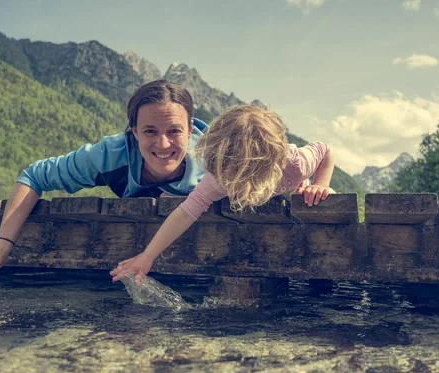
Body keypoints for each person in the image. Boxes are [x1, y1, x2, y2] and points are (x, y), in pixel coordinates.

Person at [0, 80, 207, 293]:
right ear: (134, 133)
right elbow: (33, 176)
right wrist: (0, 250)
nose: (163, 144)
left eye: (174, 130)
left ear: (189, 131)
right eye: (150, 131)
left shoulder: (215, 161)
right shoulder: (110, 155)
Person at [110, 105, 335, 284]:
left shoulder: (296, 164)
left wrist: (321, 183)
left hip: (291, 195)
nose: (236, 177)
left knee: (326, 200)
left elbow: (325, 150)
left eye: (244, 173)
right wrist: (148, 256)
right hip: (245, 202)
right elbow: (186, 212)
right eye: (232, 172)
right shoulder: (219, 176)